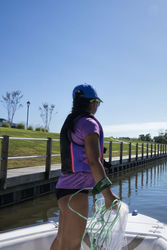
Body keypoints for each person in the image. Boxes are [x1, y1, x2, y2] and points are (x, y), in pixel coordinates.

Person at [51, 84, 119, 250]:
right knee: (72, 245)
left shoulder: (72, 122)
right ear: (93, 102)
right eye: (98, 103)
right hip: (76, 193)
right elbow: (94, 161)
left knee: (61, 240)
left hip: (64, 190)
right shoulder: (89, 123)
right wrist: (108, 194)